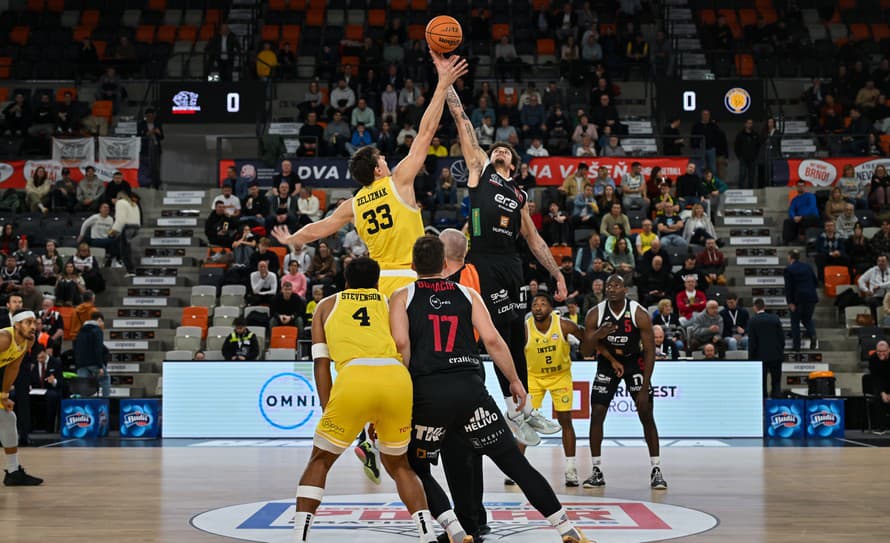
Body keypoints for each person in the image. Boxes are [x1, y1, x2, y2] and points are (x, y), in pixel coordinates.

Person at [389, 237, 593, 543]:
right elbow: (494, 341)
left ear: (412, 265)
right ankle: (567, 528)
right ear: (445, 264)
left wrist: (403, 390)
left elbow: (402, 345)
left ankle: (456, 531)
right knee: (515, 464)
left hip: (429, 393)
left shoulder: (401, 295)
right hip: (471, 390)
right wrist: (514, 381)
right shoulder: (468, 293)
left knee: (411, 467)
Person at [439, 53, 566, 445]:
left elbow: (534, 239)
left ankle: (519, 409)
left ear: (515, 162)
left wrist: (557, 272)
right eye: (496, 150)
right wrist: (446, 86)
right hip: (484, 262)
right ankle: (518, 409)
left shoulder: (519, 194)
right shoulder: (481, 171)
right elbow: (463, 123)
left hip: (512, 264)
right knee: (497, 332)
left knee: (515, 335)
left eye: (506, 152)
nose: (500, 152)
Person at [273, 53, 468, 298]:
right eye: (382, 159)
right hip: (411, 278)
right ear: (377, 169)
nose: (386, 160)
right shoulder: (399, 181)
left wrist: (291, 238)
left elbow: (317, 229)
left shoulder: (352, 205)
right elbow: (426, 132)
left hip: (379, 283)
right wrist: (441, 85)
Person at [293, 257, 444, 543]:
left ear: (345, 281)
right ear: (377, 282)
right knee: (400, 465)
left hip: (354, 377)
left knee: (321, 460)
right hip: (396, 378)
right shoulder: (391, 303)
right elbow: (406, 346)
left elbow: (321, 364)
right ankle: (427, 534)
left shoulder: (325, 306)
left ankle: (299, 536)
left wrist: (329, 408)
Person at [580, 275, 667, 489]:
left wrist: (646, 386)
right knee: (597, 412)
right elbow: (585, 351)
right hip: (608, 363)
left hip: (634, 363)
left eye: (616, 285)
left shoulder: (638, 312)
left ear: (625, 290)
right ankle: (596, 470)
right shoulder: (595, 313)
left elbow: (649, 351)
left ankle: (656, 469)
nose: (611, 289)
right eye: (608, 285)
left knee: (646, 413)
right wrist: (598, 335)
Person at [524, 292, 585, 487]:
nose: (538, 307)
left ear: (551, 308)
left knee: (566, 421)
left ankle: (570, 469)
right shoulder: (525, 329)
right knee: (523, 421)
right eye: (535, 304)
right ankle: (516, 469)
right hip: (534, 377)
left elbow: (587, 339)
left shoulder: (565, 325)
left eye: (543, 303)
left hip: (560, 376)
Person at [0, 310, 42, 485]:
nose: (33, 326)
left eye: (35, 322)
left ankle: (13, 472)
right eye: (28, 322)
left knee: (8, 419)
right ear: (16, 325)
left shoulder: (28, 341)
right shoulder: (4, 339)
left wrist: (4, 394)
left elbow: (12, 368)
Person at [748, 298, 785, 398]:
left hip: (760, 357)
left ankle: (763, 404)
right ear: (764, 307)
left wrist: (751, 358)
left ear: (755, 308)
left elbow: (752, 342)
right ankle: (776, 403)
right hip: (776, 355)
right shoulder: (775, 318)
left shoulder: (753, 320)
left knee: (761, 382)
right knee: (776, 382)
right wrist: (780, 351)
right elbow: (782, 338)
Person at [783, 249, 818, 351]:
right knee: (807, 319)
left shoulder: (789, 269)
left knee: (795, 322)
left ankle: (797, 347)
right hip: (811, 298)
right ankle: (813, 335)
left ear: (790, 257)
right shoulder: (808, 267)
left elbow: (788, 288)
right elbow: (816, 282)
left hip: (797, 299)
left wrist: (790, 302)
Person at [73, 311, 110, 397]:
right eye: (102, 322)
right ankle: (106, 402)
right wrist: (100, 366)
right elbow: (98, 348)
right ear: (99, 320)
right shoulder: (97, 330)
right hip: (93, 362)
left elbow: (75, 346)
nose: (103, 324)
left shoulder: (81, 330)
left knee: (84, 386)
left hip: (80, 363)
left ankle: (84, 407)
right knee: (105, 379)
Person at [857, 255, 890, 323]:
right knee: (871, 301)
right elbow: (860, 280)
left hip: (888, 297)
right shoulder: (872, 270)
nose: (880, 263)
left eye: (883, 261)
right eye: (879, 261)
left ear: (887, 262)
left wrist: (880, 286)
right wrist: (866, 290)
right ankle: (876, 322)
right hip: (875, 296)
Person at [867, 340, 890, 431]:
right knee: (878, 398)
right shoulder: (873, 358)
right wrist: (882, 393)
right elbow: (875, 377)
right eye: (879, 351)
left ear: (889, 350)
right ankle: (881, 426)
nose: (881, 353)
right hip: (880, 385)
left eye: (883, 351)